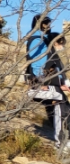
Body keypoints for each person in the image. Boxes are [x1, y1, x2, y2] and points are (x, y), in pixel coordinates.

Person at [26, 15, 67, 148]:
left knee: (60, 110)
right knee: (62, 106)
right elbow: (37, 63)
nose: (47, 26)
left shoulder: (43, 40)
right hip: (44, 83)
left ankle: (63, 140)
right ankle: (61, 144)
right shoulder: (37, 40)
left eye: (48, 23)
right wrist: (41, 82)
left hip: (49, 83)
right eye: (45, 24)